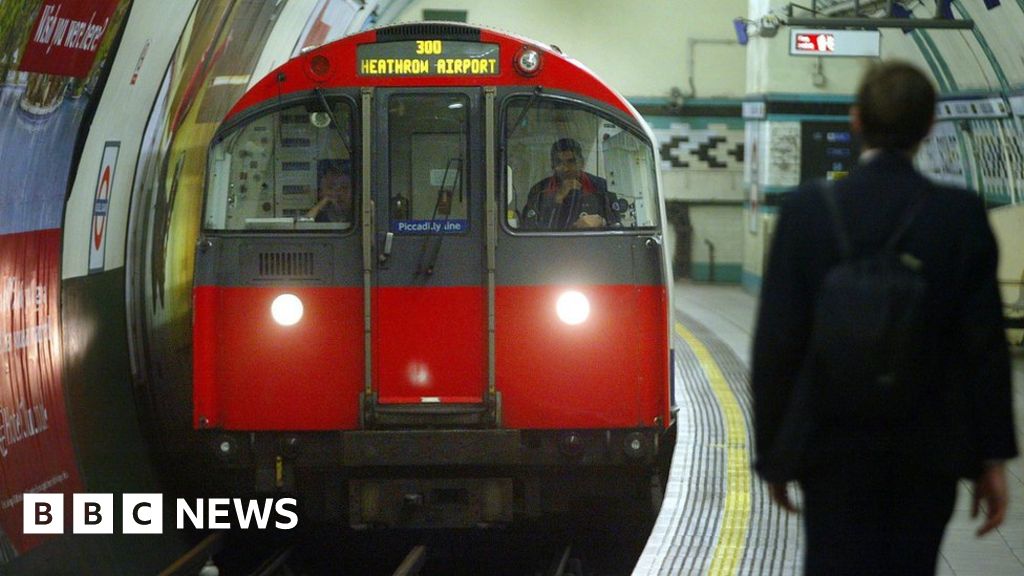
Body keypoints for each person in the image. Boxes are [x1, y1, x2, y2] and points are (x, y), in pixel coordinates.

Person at [751, 61, 1017, 575]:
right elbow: (984, 345)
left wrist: (774, 455)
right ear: (929, 128)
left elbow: (777, 343)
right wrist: (993, 458)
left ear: (856, 121)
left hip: (831, 445)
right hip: (928, 447)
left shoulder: (808, 211)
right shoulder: (958, 215)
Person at [521, 138, 618, 229]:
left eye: (571, 162)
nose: (566, 168)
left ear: (582, 163)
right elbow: (528, 228)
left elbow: (618, 225)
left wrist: (602, 222)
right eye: (559, 163)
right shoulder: (539, 190)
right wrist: (557, 199)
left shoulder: (601, 186)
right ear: (552, 166)